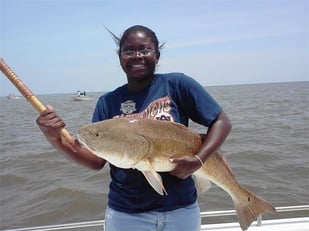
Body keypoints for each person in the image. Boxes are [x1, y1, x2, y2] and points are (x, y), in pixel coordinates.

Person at [36, 25, 231, 231]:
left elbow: (221, 122)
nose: (137, 56)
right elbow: (96, 162)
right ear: (120, 57)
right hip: (126, 215)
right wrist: (55, 139)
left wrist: (198, 160)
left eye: (145, 50)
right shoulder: (108, 102)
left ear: (157, 55)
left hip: (181, 212)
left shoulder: (178, 85)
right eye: (128, 51)